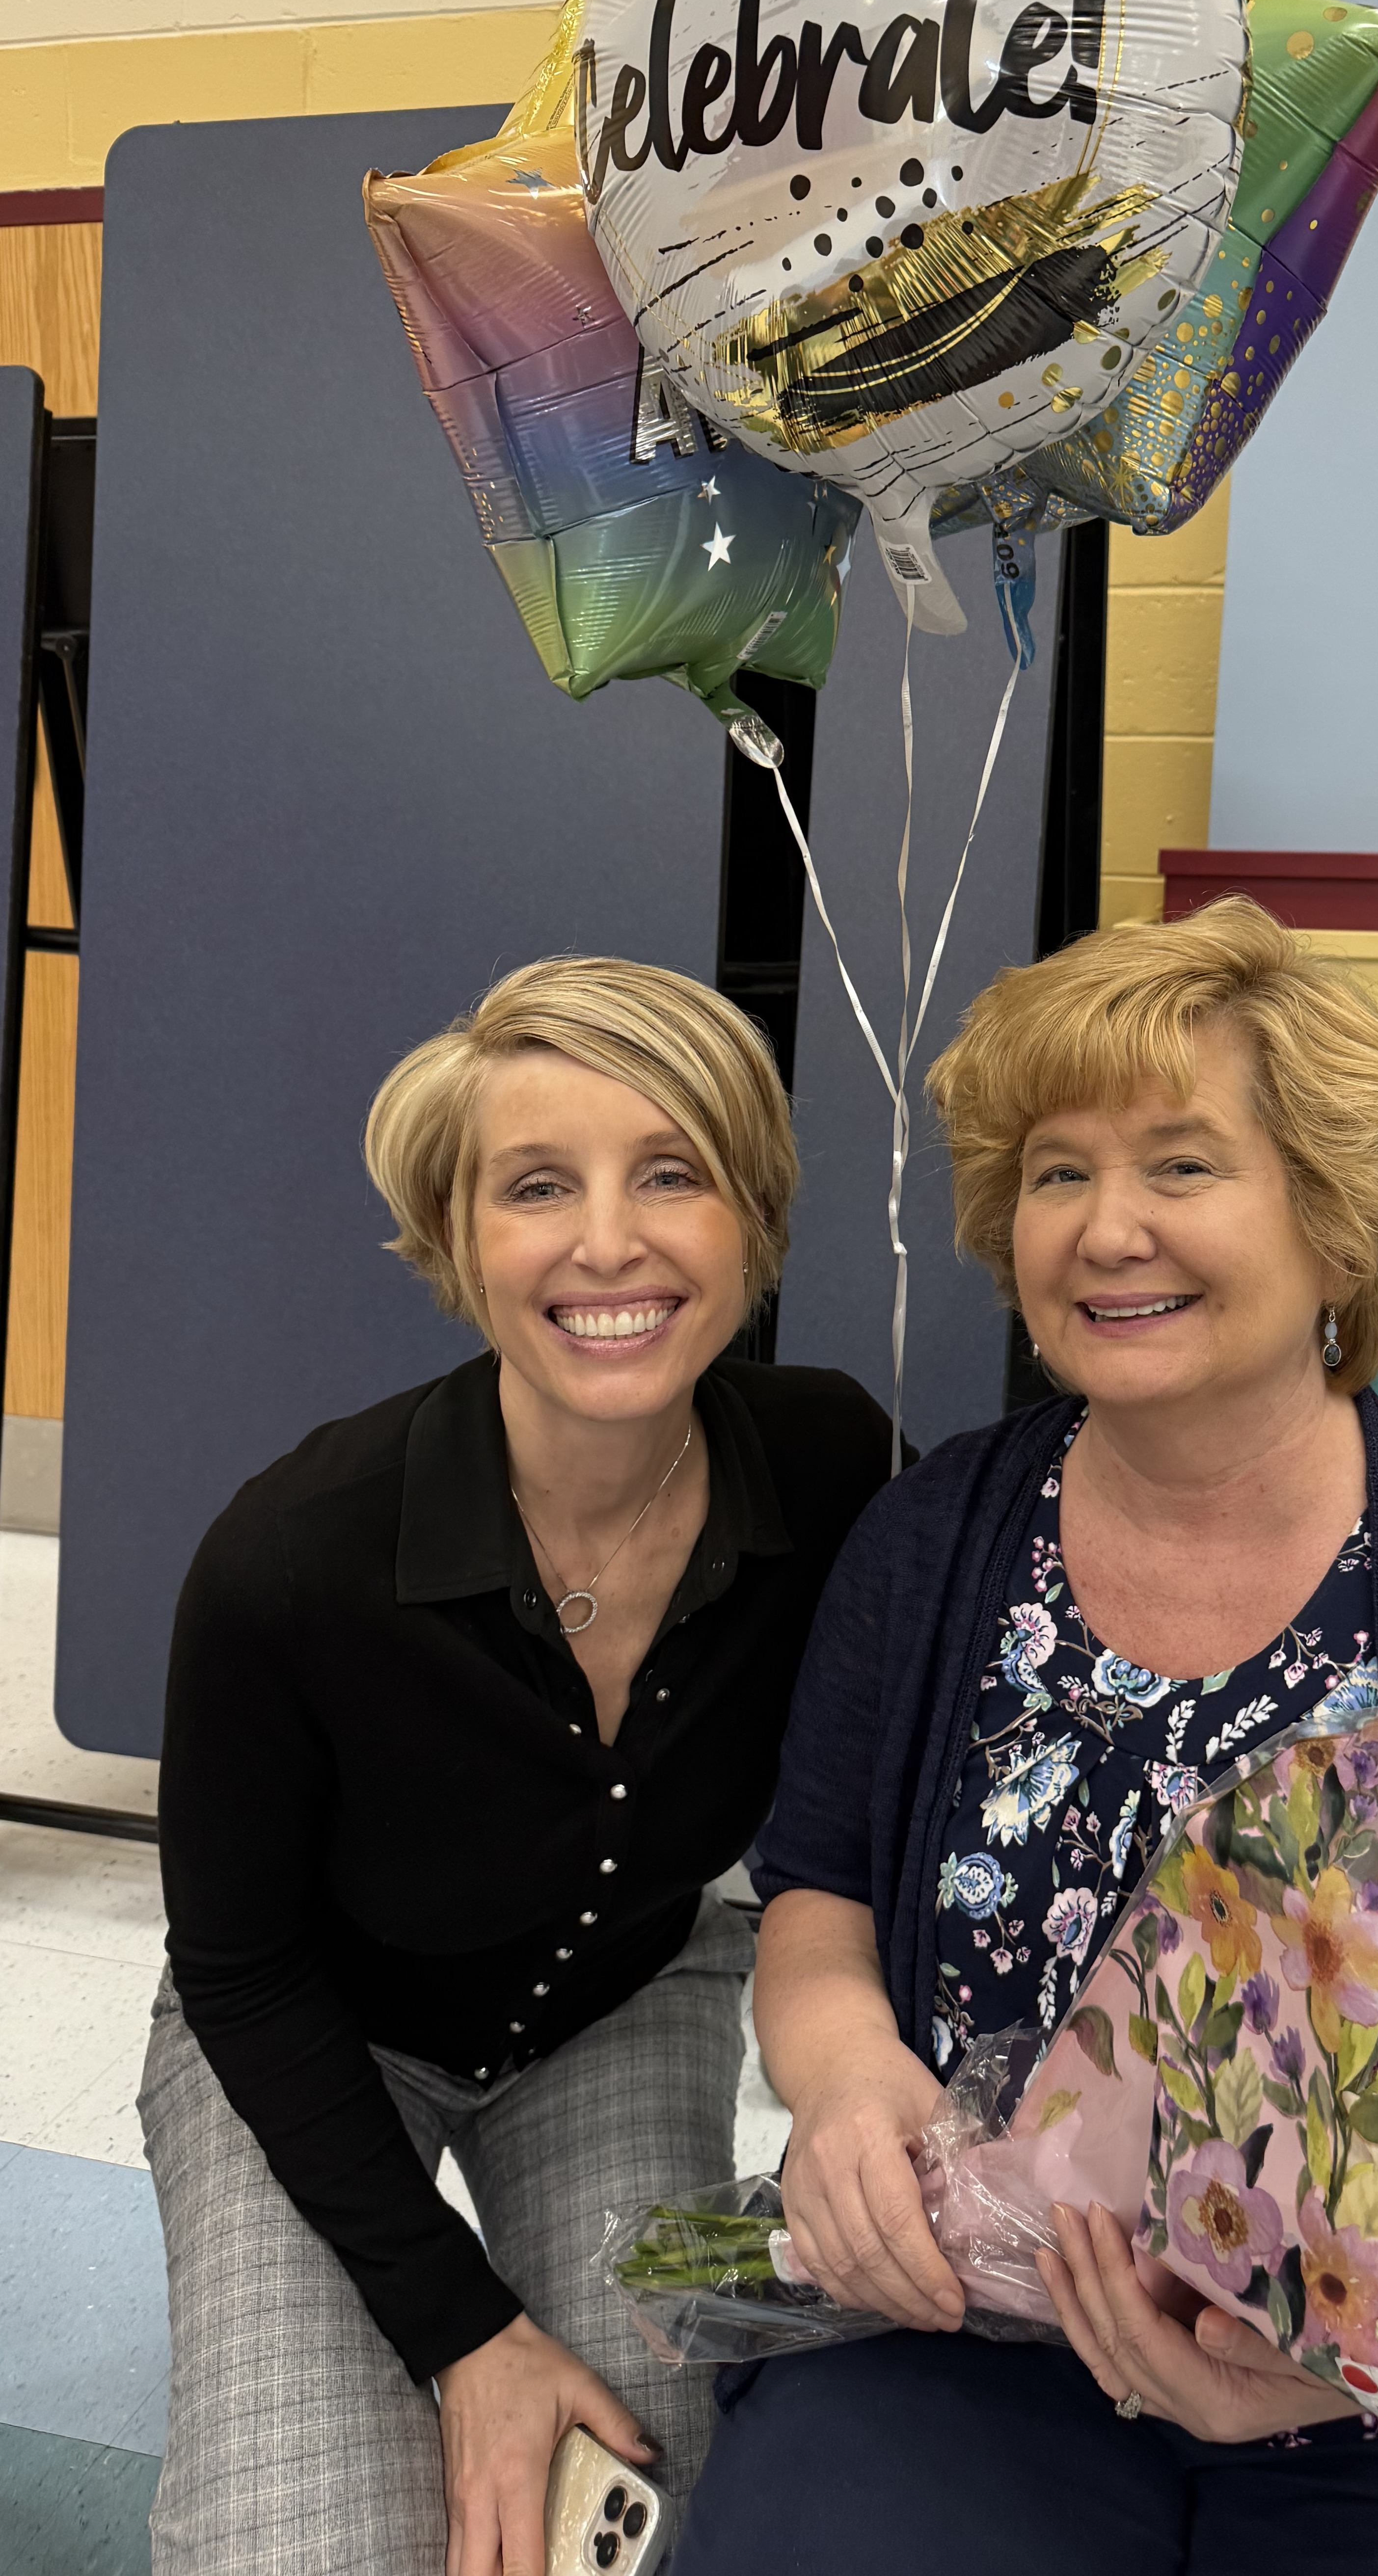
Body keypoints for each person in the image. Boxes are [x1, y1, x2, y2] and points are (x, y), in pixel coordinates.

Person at [675, 899, 1378, 2576]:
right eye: (1057, 1172)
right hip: (964, 2329)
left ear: (1333, 1224)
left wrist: (1358, 2358)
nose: (1109, 1229)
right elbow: (820, 1897)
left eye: (1184, 1166)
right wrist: (844, 2084)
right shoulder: (934, 1542)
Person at [141, 956, 894, 2576]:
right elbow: (242, 1969)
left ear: (751, 1221)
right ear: (457, 1244)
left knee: (658, 2481)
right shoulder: (290, 1562)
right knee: (310, 2545)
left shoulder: (834, 1464)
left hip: (620, 2002)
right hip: (313, 2032)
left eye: (672, 1173)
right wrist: (464, 2329)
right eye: (537, 1186)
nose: (608, 1242)